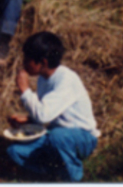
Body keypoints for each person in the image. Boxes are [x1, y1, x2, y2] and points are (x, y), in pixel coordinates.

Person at [7, 31, 100, 182]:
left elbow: (43, 115)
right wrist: (29, 120)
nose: (24, 63)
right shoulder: (43, 79)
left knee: (58, 137)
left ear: (42, 62)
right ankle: (53, 171)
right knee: (14, 151)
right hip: (56, 136)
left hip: (81, 138)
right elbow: (48, 112)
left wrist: (24, 90)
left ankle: (73, 178)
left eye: (27, 59)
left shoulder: (66, 79)